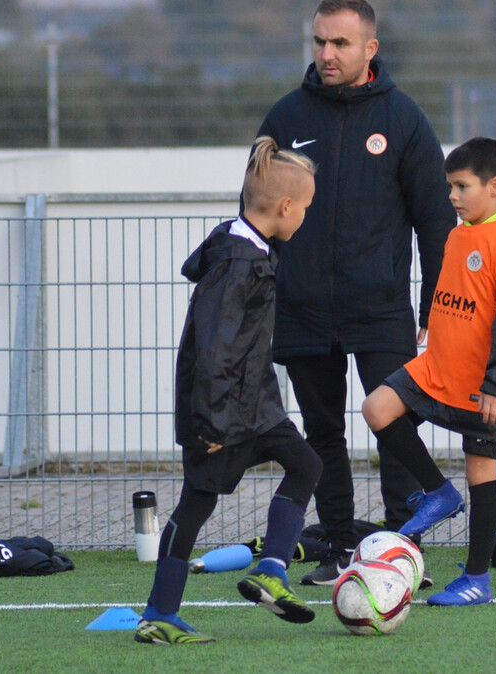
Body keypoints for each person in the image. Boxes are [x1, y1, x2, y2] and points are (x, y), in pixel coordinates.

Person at [256, 0, 456, 586]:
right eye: (319, 41)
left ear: (370, 47)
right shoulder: (285, 119)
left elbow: (435, 223)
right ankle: (341, 547)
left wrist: (433, 309)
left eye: (340, 42)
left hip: (380, 309)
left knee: (393, 426)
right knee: (322, 437)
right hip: (302, 309)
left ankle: (399, 550)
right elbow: (259, 217)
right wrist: (262, 297)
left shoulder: (403, 119)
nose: (327, 53)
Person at [134, 137, 323, 645]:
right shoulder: (237, 263)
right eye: (304, 207)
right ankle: (159, 615)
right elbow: (214, 351)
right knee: (196, 505)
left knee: (307, 464)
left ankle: (272, 570)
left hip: (255, 406)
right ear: (285, 207)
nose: (305, 215)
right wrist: (211, 425)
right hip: (219, 415)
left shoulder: (253, 247)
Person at [361, 136, 496, 606]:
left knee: (483, 473)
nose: (452, 196)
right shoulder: (459, 234)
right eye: (450, 187)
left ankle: (477, 578)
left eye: (461, 186)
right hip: (435, 368)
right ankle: (438, 492)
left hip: (480, 387)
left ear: (495, 187)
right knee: (376, 408)